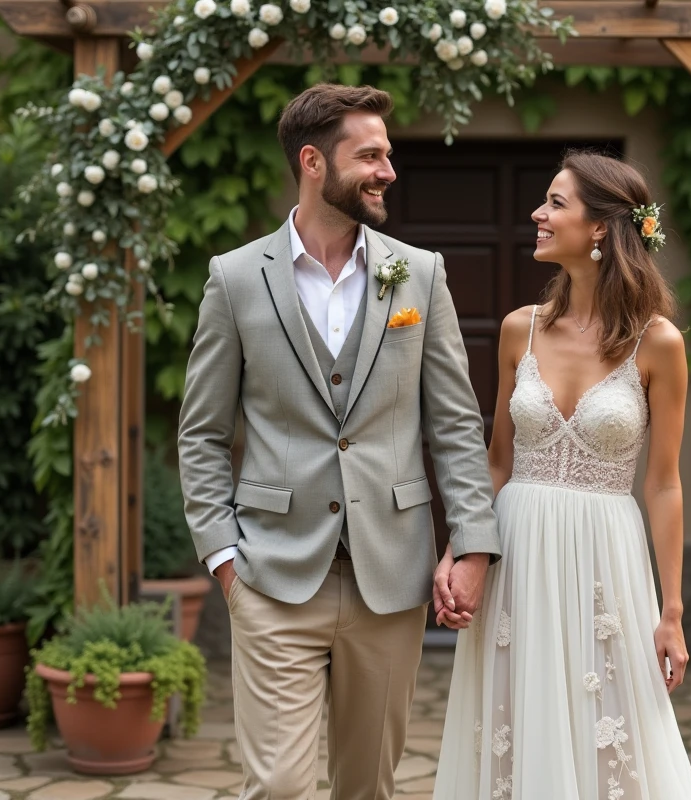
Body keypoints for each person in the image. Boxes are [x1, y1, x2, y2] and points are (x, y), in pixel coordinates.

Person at [177, 83, 500, 800]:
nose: (389, 170)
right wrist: (225, 560)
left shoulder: (419, 273)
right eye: (372, 154)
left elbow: (453, 423)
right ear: (315, 161)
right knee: (281, 787)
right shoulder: (234, 280)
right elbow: (201, 432)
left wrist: (473, 543)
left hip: (391, 575)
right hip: (271, 576)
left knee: (368, 788)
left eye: (388, 154)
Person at [433, 151, 691, 799]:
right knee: (514, 723)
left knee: (610, 725)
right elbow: (497, 458)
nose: (538, 214)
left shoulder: (657, 342)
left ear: (603, 228)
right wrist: (459, 549)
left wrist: (672, 610)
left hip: (604, 556)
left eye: (556, 202)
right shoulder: (517, 331)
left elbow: (663, 482)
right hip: (518, 551)